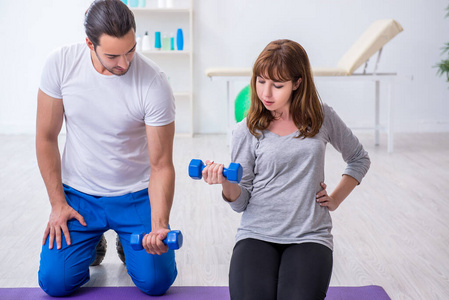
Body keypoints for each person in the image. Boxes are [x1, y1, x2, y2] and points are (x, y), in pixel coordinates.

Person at [202, 39, 371, 300]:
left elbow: (359, 158)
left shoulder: (322, 117)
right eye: (260, 81)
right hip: (257, 233)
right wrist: (225, 181)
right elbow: (241, 202)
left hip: (309, 235)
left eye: (277, 85)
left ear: (297, 83)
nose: (266, 93)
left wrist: (335, 198)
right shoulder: (245, 129)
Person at [36, 0, 177, 296]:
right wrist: (58, 204)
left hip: (135, 195)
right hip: (79, 197)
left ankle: (128, 242)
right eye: (113, 55)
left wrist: (159, 223)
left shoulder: (153, 82)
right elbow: (46, 137)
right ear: (90, 43)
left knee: (156, 283)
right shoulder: (61, 64)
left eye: (131, 50)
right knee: (54, 283)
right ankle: (91, 242)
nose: (124, 63)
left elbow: (161, 164)